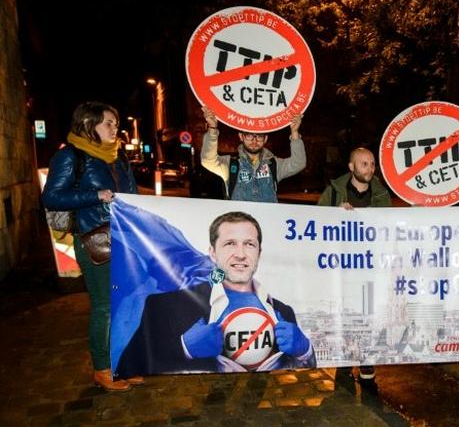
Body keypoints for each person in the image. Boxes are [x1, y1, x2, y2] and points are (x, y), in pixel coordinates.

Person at [116, 211, 316, 376]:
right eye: (230, 243)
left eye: (249, 244)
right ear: (212, 252)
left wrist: (305, 350)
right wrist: (183, 348)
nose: (240, 254)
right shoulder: (164, 306)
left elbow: (304, 367)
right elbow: (127, 367)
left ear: (259, 253)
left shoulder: (283, 311)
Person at [42, 102, 141, 392]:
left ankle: (121, 363)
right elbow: (52, 197)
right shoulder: (71, 157)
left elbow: (132, 194)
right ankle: (102, 369)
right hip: (94, 240)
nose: (114, 128)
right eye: (108, 123)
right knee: (105, 306)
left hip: (125, 239)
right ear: (89, 124)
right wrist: (94, 195)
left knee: (127, 303)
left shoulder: (117, 157)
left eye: (115, 122)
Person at [317, 147, 391, 389]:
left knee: (369, 316)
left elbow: (388, 227)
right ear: (351, 167)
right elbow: (315, 220)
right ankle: (345, 360)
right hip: (342, 268)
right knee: (346, 315)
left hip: (370, 268)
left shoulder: (381, 195)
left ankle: (367, 360)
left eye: (371, 164)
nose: (370, 169)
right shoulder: (335, 192)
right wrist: (335, 215)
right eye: (364, 164)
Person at [200, 107, 306, 202]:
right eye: (249, 135)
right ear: (241, 136)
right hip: (239, 222)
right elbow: (208, 161)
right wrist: (213, 128)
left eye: (259, 136)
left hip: (267, 222)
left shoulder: (274, 164)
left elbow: (298, 163)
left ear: (265, 139)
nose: (254, 141)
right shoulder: (231, 164)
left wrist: (295, 133)